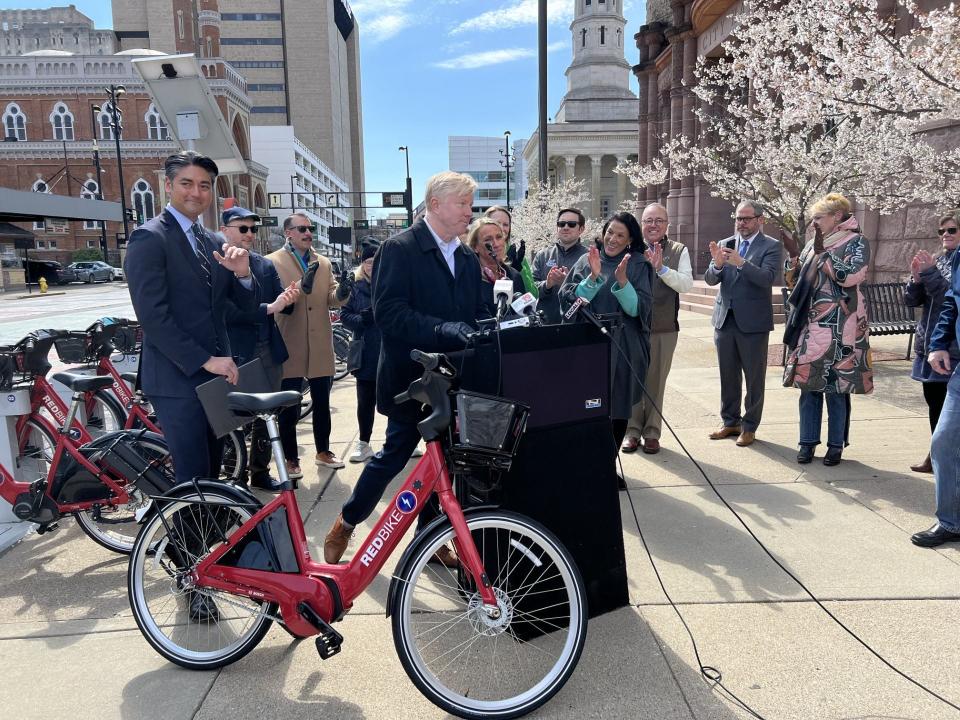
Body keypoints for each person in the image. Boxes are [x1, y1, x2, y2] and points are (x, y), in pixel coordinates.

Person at [323, 171, 488, 566]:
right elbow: (389, 313)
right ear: (435, 205)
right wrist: (440, 328)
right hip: (411, 380)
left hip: (454, 378)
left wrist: (491, 324)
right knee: (395, 455)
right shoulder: (399, 249)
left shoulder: (466, 256)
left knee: (447, 465)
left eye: (470, 204)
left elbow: (474, 311)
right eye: (463, 204)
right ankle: (348, 519)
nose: (470, 212)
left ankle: (431, 541)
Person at [125, 151, 257, 487]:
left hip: (215, 379)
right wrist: (205, 360)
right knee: (192, 476)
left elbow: (236, 307)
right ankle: (187, 540)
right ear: (168, 185)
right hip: (176, 378)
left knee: (214, 470)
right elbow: (153, 318)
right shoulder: (149, 238)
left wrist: (243, 276)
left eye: (204, 185)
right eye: (187, 183)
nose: (195, 192)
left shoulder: (212, 240)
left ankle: (209, 538)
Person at [783, 193, 872, 466]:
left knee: (837, 388)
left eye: (819, 217)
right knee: (808, 385)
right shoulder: (813, 243)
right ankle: (807, 442)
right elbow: (795, 283)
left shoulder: (857, 241)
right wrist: (794, 260)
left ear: (836, 217)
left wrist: (825, 257)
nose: (814, 223)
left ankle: (835, 446)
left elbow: (852, 276)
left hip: (843, 326)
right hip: (812, 325)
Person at [266, 213, 353, 481]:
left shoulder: (323, 262)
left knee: (322, 402)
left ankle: (323, 451)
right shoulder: (271, 262)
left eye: (310, 228)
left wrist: (342, 292)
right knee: (289, 405)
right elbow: (274, 301)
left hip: (319, 343)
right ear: (288, 232)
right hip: (290, 341)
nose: (308, 232)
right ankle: (291, 459)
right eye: (302, 228)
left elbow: (331, 298)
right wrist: (300, 290)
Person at [220, 206, 300, 491]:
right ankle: (236, 477)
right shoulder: (217, 263)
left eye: (253, 229)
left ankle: (260, 473)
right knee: (234, 419)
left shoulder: (264, 265)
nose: (250, 234)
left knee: (269, 416)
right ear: (225, 230)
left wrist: (288, 298)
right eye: (243, 229)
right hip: (236, 353)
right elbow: (226, 312)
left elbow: (279, 300)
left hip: (267, 349)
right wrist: (270, 307)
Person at [560, 212, 654, 453]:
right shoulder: (585, 261)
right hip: (589, 345)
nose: (612, 239)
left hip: (623, 346)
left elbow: (638, 310)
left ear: (630, 240)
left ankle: (609, 467)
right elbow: (570, 304)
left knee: (619, 407)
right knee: (588, 407)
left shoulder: (639, 265)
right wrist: (592, 278)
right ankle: (590, 465)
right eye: (610, 232)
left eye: (620, 235)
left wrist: (623, 283)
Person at [704, 200, 780, 448]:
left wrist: (741, 263)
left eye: (747, 218)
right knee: (728, 376)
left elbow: (767, 278)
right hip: (725, 320)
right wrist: (717, 265)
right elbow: (710, 279)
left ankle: (749, 427)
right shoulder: (726, 243)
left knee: (754, 378)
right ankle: (730, 422)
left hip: (753, 323)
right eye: (738, 218)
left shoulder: (771, 246)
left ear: (760, 220)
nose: (742, 223)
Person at [622, 203, 693, 455]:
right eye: (648, 220)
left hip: (664, 327)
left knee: (656, 383)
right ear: (641, 224)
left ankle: (652, 432)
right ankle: (631, 431)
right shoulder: (629, 250)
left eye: (659, 221)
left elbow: (685, 284)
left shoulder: (678, 250)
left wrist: (662, 269)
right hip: (632, 327)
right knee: (633, 380)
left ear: (667, 225)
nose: (653, 225)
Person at [903, 211, 960, 473]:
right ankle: (935, 454)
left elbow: (951, 297)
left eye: (952, 230)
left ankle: (943, 458)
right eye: (942, 231)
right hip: (929, 342)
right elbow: (912, 301)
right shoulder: (938, 260)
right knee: (933, 401)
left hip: (950, 347)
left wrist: (929, 274)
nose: (945, 235)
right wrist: (916, 279)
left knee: (948, 406)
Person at [340, 239, 381, 463]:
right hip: (365, 351)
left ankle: (397, 441)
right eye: (367, 262)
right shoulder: (356, 286)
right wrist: (362, 319)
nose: (371, 266)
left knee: (395, 399)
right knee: (365, 401)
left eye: (375, 261)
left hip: (388, 350)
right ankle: (364, 443)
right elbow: (344, 316)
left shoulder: (390, 282)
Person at [531, 208, 590, 324]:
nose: (566, 227)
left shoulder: (589, 258)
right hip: (544, 324)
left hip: (577, 325)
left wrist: (568, 284)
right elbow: (530, 289)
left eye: (572, 224)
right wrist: (547, 284)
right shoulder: (542, 255)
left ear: (581, 229)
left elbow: (593, 292)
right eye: (561, 224)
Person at [467, 217, 525, 316]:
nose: (496, 244)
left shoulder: (514, 276)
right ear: (475, 247)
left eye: (499, 237)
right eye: (488, 240)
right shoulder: (469, 279)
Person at [483, 205, 525, 272]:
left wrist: (516, 272)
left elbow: (529, 281)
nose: (502, 228)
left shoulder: (516, 253)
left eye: (505, 224)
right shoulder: (478, 252)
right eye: (497, 223)